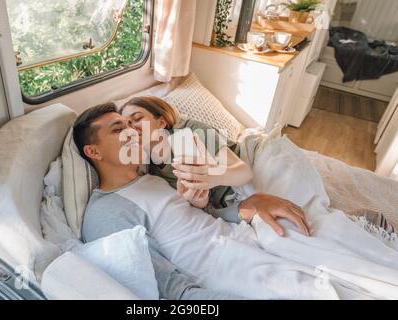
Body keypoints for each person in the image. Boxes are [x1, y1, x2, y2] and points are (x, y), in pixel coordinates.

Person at [74, 103, 398, 300]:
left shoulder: (155, 177)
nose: (133, 132)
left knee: (334, 246)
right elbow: (168, 288)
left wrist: (249, 206)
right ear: (94, 152)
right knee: (321, 290)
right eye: (120, 129)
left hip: (244, 235)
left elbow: (205, 212)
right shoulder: (107, 211)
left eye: (134, 124)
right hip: (221, 263)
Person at [120, 96, 309, 236]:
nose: (131, 127)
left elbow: (243, 172)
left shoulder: (187, 132)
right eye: (125, 125)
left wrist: (210, 176)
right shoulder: (154, 173)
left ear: (161, 121)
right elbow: (204, 204)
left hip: (256, 163)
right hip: (233, 200)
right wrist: (198, 197)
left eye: (136, 118)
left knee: (304, 221)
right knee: (282, 233)